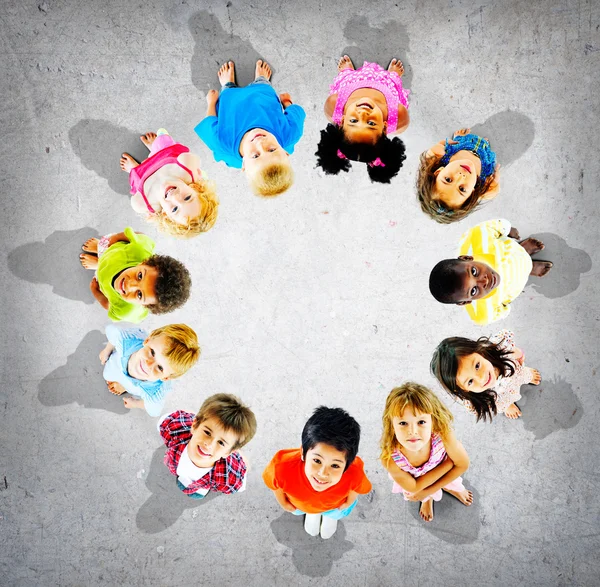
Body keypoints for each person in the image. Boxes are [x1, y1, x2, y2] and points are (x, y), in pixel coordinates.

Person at [195, 59, 305, 197]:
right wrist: (287, 102)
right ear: (285, 152)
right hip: (262, 92)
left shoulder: (223, 146)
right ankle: (261, 78)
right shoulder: (290, 135)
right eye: (272, 149)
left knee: (227, 92)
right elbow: (297, 115)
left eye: (255, 155)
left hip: (231, 99)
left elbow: (210, 122)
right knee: (263, 84)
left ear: (244, 165)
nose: (260, 143)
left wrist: (211, 103)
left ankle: (228, 84)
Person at [263, 406, 372, 539]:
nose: (323, 473)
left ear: (347, 465)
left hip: (333, 508)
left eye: (335, 465)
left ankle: (328, 517)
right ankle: (312, 514)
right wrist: (283, 503)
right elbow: (275, 484)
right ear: (303, 453)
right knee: (308, 513)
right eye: (317, 460)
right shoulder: (281, 466)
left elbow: (358, 486)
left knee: (332, 515)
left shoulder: (354, 471)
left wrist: (349, 502)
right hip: (300, 505)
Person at [428, 219, 553, 325]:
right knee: (521, 275)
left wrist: (508, 229)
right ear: (466, 302)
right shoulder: (482, 314)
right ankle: (529, 268)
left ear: (466, 258)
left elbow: (494, 225)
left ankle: (524, 250)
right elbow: (504, 311)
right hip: (515, 285)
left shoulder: (476, 239)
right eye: (474, 290)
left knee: (519, 255)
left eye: (474, 271)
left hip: (514, 252)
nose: (484, 280)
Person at [380, 383, 473, 522]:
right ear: (391, 425)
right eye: (403, 423)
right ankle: (427, 500)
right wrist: (449, 463)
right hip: (423, 480)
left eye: (421, 422)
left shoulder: (443, 435)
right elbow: (414, 487)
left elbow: (464, 465)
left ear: (433, 421)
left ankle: (449, 489)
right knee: (421, 494)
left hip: (442, 476)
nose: (412, 431)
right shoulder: (390, 459)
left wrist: (427, 491)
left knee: (449, 484)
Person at [315, 56, 409, 183]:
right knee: (393, 81)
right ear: (385, 127)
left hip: (353, 81)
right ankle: (393, 75)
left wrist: (346, 75)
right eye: (371, 123)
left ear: (341, 121)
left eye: (353, 121)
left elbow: (331, 112)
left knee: (346, 78)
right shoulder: (397, 115)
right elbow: (401, 127)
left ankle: (346, 72)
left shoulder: (334, 104)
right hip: (386, 85)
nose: (363, 114)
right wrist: (394, 78)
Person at [120, 129, 218, 238]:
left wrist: (153, 213)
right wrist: (195, 174)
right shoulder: (185, 170)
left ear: (165, 214)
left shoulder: (151, 203)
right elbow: (192, 158)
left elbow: (136, 203)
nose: (175, 197)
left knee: (135, 177)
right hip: (163, 153)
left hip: (142, 173)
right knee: (162, 140)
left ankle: (134, 167)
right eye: (187, 197)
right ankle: (154, 149)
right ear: (195, 187)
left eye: (175, 209)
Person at [79, 227, 191, 322]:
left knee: (101, 270)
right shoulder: (140, 249)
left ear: (144, 306)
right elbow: (141, 237)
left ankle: (98, 264)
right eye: (140, 276)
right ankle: (100, 251)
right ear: (145, 262)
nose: (129, 285)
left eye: (139, 295)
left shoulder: (126, 310)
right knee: (104, 246)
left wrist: (96, 291)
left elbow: (108, 306)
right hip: (112, 251)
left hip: (102, 279)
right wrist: (115, 239)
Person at [158, 393, 257, 498]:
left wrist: (243, 462)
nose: (209, 444)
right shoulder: (175, 428)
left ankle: (195, 489)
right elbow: (163, 421)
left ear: (228, 452)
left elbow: (240, 484)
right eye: (207, 432)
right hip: (176, 465)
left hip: (201, 485)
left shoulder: (228, 476)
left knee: (197, 493)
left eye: (221, 443)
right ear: (194, 425)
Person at [431, 330, 541, 421]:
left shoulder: (498, 349)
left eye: (477, 366)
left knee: (523, 374)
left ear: (479, 352)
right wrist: (506, 404)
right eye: (470, 381)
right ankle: (508, 404)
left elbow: (515, 351)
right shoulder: (477, 401)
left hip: (514, 376)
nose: (481, 378)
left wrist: (519, 357)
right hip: (500, 397)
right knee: (504, 403)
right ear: (463, 389)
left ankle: (526, 376)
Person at [99, 323, 200, 416]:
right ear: (147, 340)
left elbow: (154, 411)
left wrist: (136, 403)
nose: (148, 364)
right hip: (114, 366)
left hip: (136, 385)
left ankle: (125, 386)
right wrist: (107, 350)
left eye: (160, 368)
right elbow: (111, 331)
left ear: (165, 378)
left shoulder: (154, 392)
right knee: (108, 374)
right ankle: (124, 384)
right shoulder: (126, 340)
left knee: (115, 378)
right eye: (152, 352)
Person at [417, 128, 499, 223]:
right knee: (485, 146)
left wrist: (447, 143)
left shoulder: (441, 156)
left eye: (448, 179)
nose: (460, 176)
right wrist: (496, 175)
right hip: (485, 154)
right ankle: (484, 144)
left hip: (464, 143)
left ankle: (459, 137)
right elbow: (492, 191)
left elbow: (432, 153)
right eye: (462, 189)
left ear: (438, 172)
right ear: (472, 193)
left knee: (463, 139)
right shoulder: (482, 184)